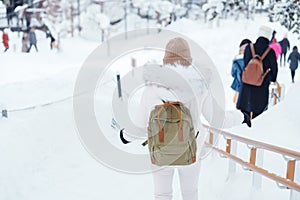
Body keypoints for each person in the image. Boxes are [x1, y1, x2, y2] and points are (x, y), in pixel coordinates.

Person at [136, 37, 251, 200]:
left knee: (162, 194)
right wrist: (242, 116)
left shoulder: (152, 87)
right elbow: (218, 119)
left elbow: (140, 123)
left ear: (165, 61)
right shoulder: (199, 86)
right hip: (190, 150)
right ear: (189, 60)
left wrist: (123, 135)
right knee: (190, 194)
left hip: (160, 151)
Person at [237, 25, 278, 119]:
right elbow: (274, 69)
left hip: (246, 85)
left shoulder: (248, 48)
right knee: (258, 116)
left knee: (244, 115)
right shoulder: (270, 51)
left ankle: (243, 130)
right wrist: (270, 78)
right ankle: (254, 131)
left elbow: (246, 63)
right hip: (261, 87)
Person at [230, 39, 252, 104]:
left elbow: (233, 73)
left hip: (239, 87)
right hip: (250, 86)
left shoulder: (236, 59)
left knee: (238, 105)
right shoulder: (251, 59)